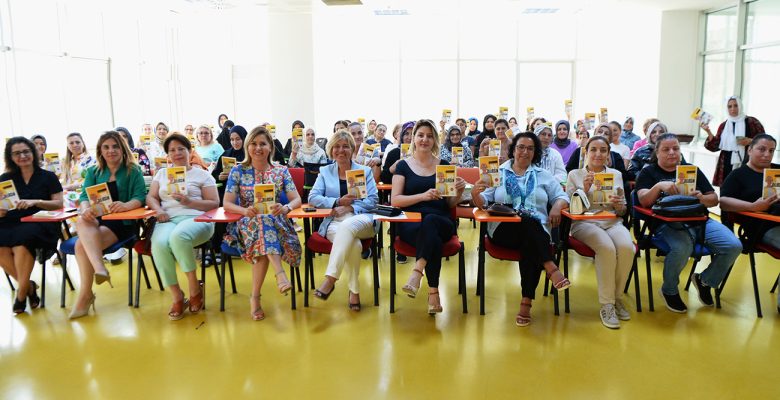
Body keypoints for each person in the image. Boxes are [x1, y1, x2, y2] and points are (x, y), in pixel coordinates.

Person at [471, 132, 571, 326]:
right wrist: (476, 193)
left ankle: (526, 302)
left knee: (530, 238)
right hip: (503, 230)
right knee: (528, 223)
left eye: (530, 148)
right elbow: (483, 202)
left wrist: (557, 207)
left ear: (535, 152)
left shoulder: (544, 175)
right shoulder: (498, 171)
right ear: (513, 149)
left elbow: (562, 197)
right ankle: (550, 267)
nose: (525, 151)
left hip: (536, 233)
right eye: (521, 147)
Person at [635, 133, 742, 313]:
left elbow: (713, 199)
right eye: (666, 149)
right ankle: (669, 289)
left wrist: (701, 198)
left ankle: (705, 280)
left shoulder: (691, 170)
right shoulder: (648, 172)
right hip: (665, 224)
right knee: (682, 247)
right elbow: (643, 201)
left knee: (733, 245)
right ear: (657, 152)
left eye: (676, 148)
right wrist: (659, 186)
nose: (672, 153)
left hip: (699, 221)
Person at [222, 126, 302, 321]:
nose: (258, 148)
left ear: (270, 147)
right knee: (261, 223)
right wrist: (244, 210)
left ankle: (255, 297)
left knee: (265, 224)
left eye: (263, 144)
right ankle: (280, 275)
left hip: (276, 223)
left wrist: (284, 208)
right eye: (254, 144)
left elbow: (296, 200)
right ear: (248, 146)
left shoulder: (281, 171)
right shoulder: (237, 171)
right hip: (246, 225)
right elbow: (227, 203)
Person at [391, 119, 466, 315]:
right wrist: (423, 196)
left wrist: (458, 193)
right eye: (421, 135)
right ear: (413, 138)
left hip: (441, 221)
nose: (425, 139)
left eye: (430, 136)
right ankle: (434, 292)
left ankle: (417, 271)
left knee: (431, 222)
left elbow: (449, 205)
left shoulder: (445, 166)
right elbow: (395, 201)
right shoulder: (402, 166)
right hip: (411, 223)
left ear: (435, 140)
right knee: (430, 236)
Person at [69, 131, 146, 319]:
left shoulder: (132, 170)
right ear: (100, 150)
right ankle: (100, 269)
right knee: (81, 219)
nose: (111, 151)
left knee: (80, 245)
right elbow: (84, 196)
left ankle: (85, 296)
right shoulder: (94, 172)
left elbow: (140, 196)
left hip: (123, 222)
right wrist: (86, 208)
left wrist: (126, 205)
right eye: (106, 147)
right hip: (97, 220)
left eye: (115, 146)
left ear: (122, 148)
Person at [146, 133, 219, 320]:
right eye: (172, 150)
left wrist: (190, 202)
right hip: (167, 219)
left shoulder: (202, 174)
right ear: (167, 155)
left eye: (181, 149)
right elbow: (151, 197)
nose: (177, 153)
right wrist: (157, 210)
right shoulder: (162, 174)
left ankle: (195, 289)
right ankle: (177, 296)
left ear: (189, 151)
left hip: (198, 219)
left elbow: (214, 203)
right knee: (159, 245)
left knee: (178, 236)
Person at [565, 136, 634, 328]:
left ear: (608, 154)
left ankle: (617, 297)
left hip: (611, 221)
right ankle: (607, 304)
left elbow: (622, 210)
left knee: (627, 247)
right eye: (593, 149)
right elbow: (571, 209)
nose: (598, 154)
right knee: (606, 248)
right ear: (586, 152)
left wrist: (619, 205)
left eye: (603, 150)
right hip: (584, 223)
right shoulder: (574, 174)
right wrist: (584, 189)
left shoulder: (616, 174)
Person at [309, 130, 379, 310]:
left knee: (348, 224)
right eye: (337, 147)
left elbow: (373, 201)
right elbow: (313, 197)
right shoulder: (325, 171)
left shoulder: (364, 171)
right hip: (334, 223)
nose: (341, 150)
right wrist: (337, 201)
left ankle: (330, 279)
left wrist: (349, 207)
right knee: (354, 246)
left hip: (361, 219)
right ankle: (354, 292)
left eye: (345, 146)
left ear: (352, 149)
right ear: (331, 150)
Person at [0, 137, 64, 313]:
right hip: (10, 222)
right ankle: (28, 286)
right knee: (2, 247)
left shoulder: (48, 176)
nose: (22, 156)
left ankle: (21, 294)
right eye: (17, 153)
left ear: (33, 153)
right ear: (10, 157)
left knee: (21, 242)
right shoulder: (5, 179)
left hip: (40, 222)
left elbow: (58, 204)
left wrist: (35, 201)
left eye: (26, 151)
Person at [719, 134, 780, 313]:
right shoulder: (738, 174)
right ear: (750, 150)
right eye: (762, 149)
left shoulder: (777, 171)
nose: (767, 154)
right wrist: (753, 207)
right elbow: (723, 202)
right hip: (761, 228)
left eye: (771, 151)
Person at [702, 96, 766, 186]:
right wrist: (708, 131)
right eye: (729, 106)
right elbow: (715, 146)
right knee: (727, 191)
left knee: (745, 188)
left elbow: (765, 141)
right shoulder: (724, 125)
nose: (733, 109)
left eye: (736, 105)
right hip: (726, 163)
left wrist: (751, 141)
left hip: (747, 161)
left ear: (740, 106)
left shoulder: (752, 122)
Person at [61, 132, 97, 209]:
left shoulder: (92, 159)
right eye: (71, 143)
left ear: (83, 143)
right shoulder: (65, 161)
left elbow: (94, 180)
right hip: (67, 196)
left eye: (77, 142)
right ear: (68, 146)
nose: (75, 145)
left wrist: (75, 186)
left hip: (84, 195)